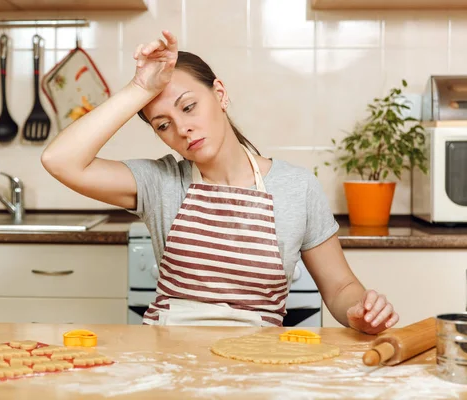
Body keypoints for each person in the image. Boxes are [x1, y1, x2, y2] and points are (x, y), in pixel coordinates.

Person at [41, 30, 399, 335]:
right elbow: (60, 161)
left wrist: (360, 312)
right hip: (167, 359)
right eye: (163, 125)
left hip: (256, 362)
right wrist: (139, 88)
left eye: (188, 106)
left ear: (221, 94)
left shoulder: (297, 187)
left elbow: (340, 287)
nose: (182, 129)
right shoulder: (161, 182)